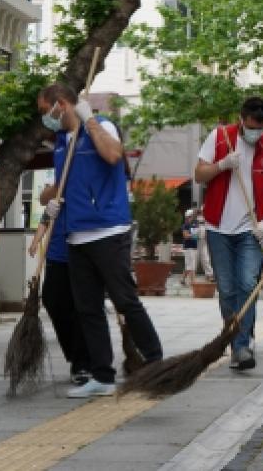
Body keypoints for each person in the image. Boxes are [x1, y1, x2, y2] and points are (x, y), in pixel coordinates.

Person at [38, 83, 163, 398]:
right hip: (76, 233)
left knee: (124, 299)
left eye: (46, 111)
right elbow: (63, 183)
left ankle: (156, 361)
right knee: (87, 307)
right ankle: (102, 374)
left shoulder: (101, 126)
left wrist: (89, 120)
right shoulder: (62, 141)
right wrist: (51, 200)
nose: (45, 118)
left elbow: (112, 155)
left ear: (62, 104)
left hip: (107, 229)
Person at [194, 97, 263, 369]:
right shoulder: (219, 136)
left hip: (251, 229)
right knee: (226, 288)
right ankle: (233, 337)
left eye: (260, 128)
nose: (255, 133)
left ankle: (242, 346)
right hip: (217, 227)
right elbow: (199, 175)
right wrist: (221, 165)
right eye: (251, 127)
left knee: (248, 285)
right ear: (241, 119)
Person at [36, 196, 90, 386]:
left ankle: (81, 362)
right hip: (57, 251)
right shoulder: (62, 176)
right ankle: (76, 354)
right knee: (52, 298)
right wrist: (36, 241)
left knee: (80, 307)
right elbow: (44, 198)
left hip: (83, 248)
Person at [180, 210, 201, 286]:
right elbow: (185, 236)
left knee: (188, 265)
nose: (193, 217)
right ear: (188, 217)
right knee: (192, 265)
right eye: (191, 216)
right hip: (188, 247)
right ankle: (193, 281)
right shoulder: (185, 225)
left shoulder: (195, 224)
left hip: (194, 246)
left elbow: (197, 235)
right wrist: (193, 235)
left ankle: (182, 279)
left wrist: (196, 235)